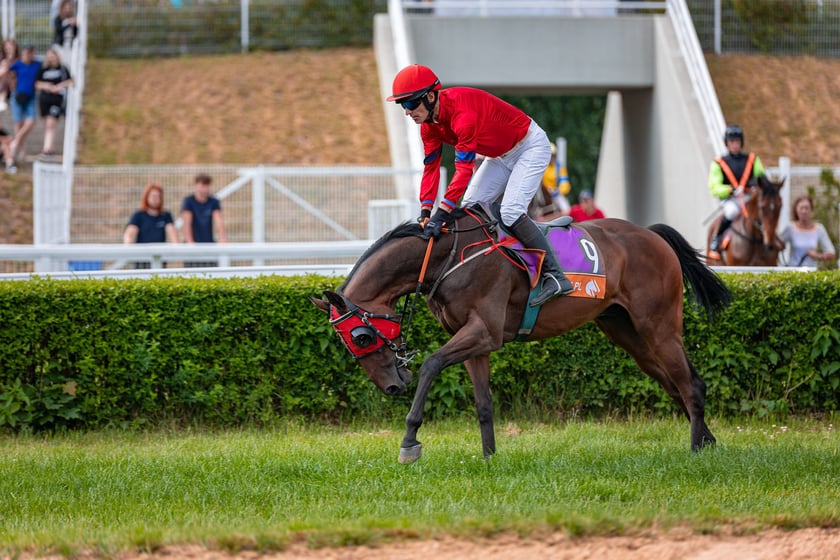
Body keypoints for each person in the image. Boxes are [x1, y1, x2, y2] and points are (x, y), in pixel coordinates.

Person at [386, 64, 573, 306]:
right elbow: (431, 168)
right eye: (402, 105)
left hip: (530, 147)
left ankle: (556, 275)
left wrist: (441, 214)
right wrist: (425, 211)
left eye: (410, 104)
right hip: (502, 155)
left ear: (430, 96)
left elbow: (463, 170)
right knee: (471, 207)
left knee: (511, 211)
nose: (407, 112)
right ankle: (493, 269)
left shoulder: (463, 116)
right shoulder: (428, 127)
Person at [707, 124, 766, 255]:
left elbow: (761, 177)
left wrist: (752, 186)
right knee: (732, 212)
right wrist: (730, 190)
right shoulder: (718, 162)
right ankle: (717, 239)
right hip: (731, 199)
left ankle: (769, 239)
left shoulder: (752, 159)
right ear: (727, 143)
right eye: (732, 141)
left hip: (749, 197)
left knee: (763, 212)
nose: (735, 144)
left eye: (737, 141)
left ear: (741, 142)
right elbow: (714, 186)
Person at [0, 44, 41, 162]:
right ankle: (20, 151)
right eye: (26, 53)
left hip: (30, 97)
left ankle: (16, 143)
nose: (28, 55)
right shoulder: (17, 64)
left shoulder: (37, 65)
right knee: (18, 124)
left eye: (30, 53)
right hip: (17, 97)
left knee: (31, 121)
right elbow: (5, 72)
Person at [123, 183, 179, 269]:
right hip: (141, 259)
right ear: (147, 197)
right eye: (153, 196)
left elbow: (172, 233)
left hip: (159, 258)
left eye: (158, 196)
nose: (155, 199)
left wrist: (176, 249)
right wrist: (129, 249)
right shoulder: (138, 215)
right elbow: (130, 233)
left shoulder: (166, 216)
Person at [181, 173, 227, 267]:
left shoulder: (213, 202)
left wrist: (222, 238)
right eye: (202, 185)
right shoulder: (189, 201)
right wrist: (190, 242)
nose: (204, 188)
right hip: (193, 244)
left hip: (208, 244)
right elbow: (187, 223)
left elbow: (219, 221)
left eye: (206, 185)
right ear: (196, 185)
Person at [35, 48, 74, 158]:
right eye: (49, 56)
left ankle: (47, 149)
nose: (51, 58)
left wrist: (59, 87)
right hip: (44, 100)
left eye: (53, 55)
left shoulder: (62, 69)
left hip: (56, 101)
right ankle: (49, 148)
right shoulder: (43, 69)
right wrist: (47, 86)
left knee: (51, 124)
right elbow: (37, 83)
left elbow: (71, 81)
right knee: (47, 125)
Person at [779, 195, 836, 268]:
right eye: (801, 208)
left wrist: (818, 256)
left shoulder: (819, 229)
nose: (804, 211)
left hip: (811, 272)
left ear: (811, 210)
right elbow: (777, 245)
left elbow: (831, 253)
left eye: (806, 208)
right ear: (796, 210)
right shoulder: (790, 228)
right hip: (793, 271)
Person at [53, 0, 78, 64]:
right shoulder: (58, 19)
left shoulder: (73, 18)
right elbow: (59, 30)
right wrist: (68, 23)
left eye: (69, 8)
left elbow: (76, 34)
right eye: (66, 8)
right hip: (60, 46)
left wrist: (75, 26)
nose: (68, 10)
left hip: (70, 46)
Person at [0, 38, 19, 113]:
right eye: (6, 47)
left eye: (10, 46)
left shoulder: (19, 60)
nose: (8, 49)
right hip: (3, 85)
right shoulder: (2, 59)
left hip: (15, 85)